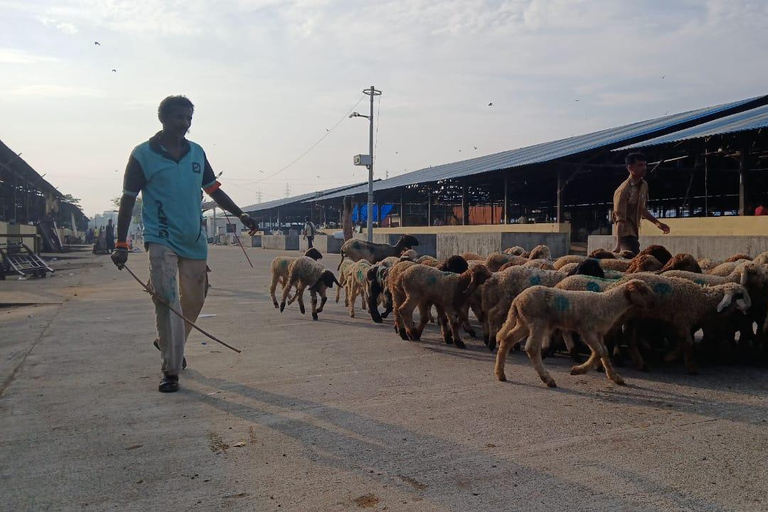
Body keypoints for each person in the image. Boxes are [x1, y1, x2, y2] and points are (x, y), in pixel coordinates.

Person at [110, 95, 258, 393]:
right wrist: (121, 243)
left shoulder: (197, 153)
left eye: (189, 117)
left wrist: (241, 213)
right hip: (160, 237)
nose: (185, 123)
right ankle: (170, 369)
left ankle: (169, 342)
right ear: (163, 118)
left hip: (193, 239)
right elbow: (127, 199)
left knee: (195, 299)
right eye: (179, 117)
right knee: (166, 300)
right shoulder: (142, 156)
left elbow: (214, 189)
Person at [612, 152, 670, 256]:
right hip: (625, 234)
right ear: (630, 168)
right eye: (640, 165)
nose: (644, 168)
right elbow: (619, 219)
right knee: (634, 256)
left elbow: (642, 209)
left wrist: (657, 223)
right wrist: (618, 245)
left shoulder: (644, 185)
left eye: (645, 164)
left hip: (634, 232)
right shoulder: (623, 191)